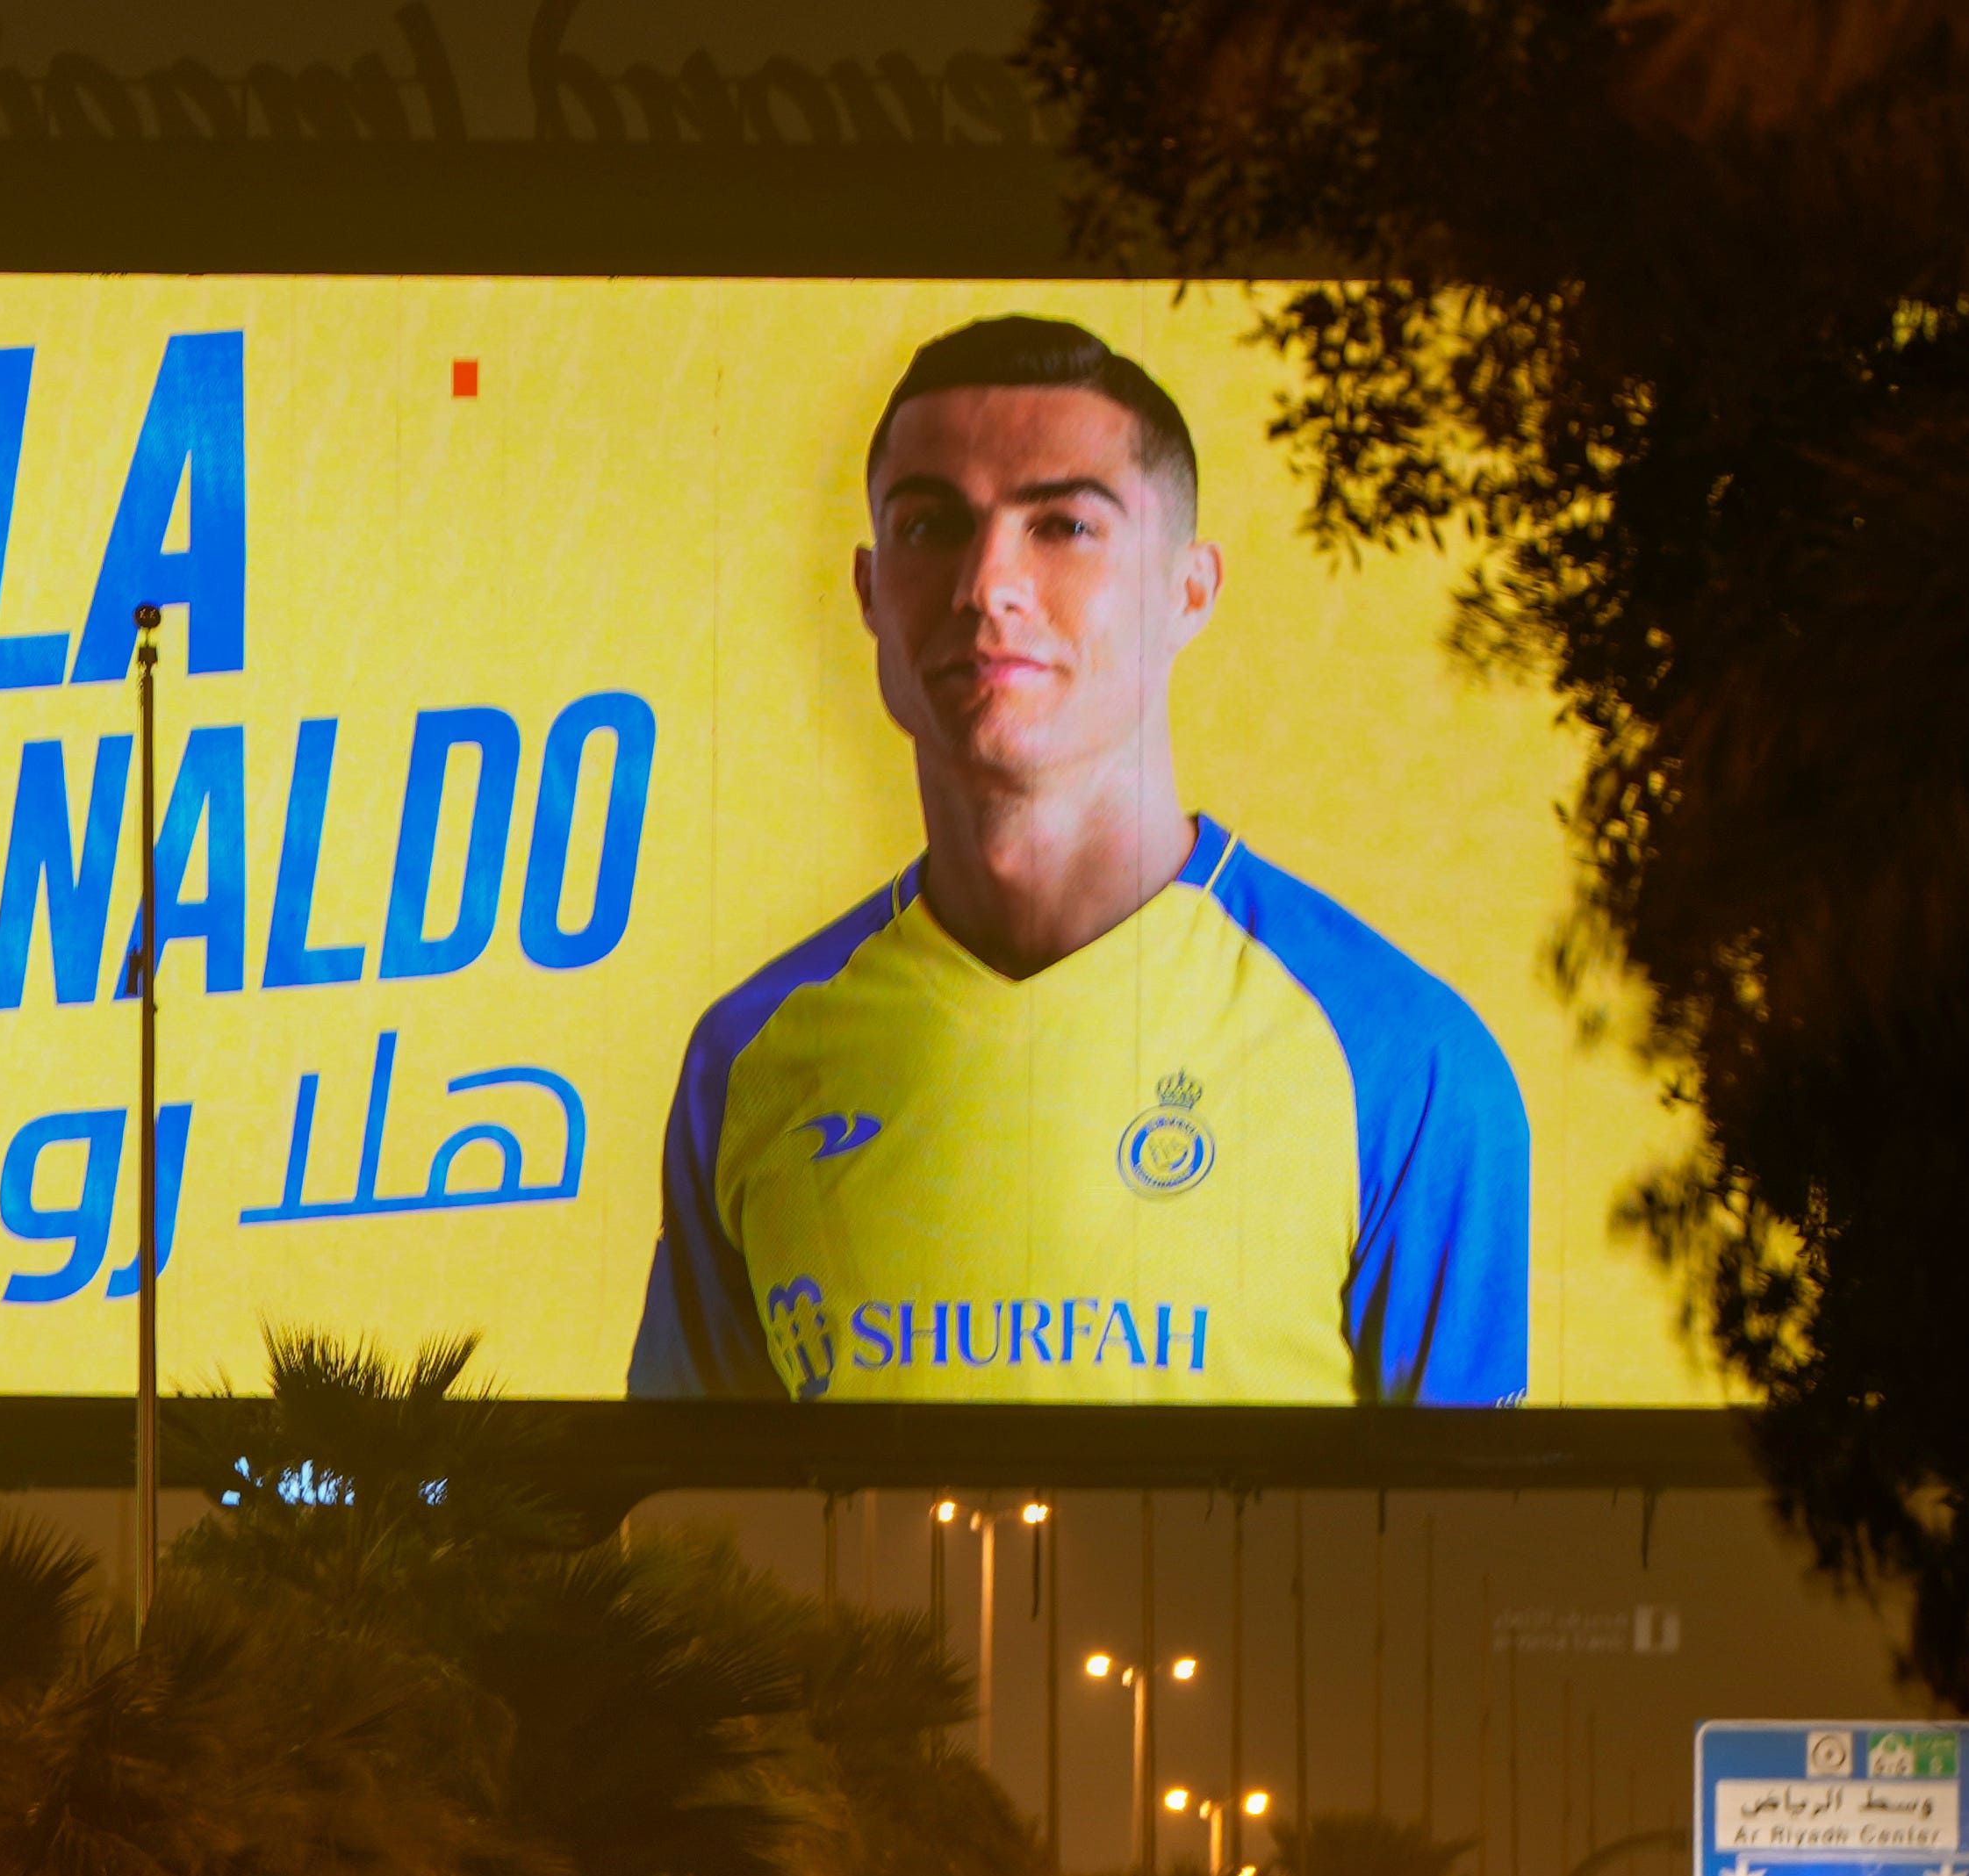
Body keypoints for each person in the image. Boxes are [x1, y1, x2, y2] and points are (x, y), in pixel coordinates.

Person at [625, 315, 1530, 1405]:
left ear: (1188, 592)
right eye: (930, 527)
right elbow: (684, 1552)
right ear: (869, 592)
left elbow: (1461, 1563)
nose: (987, 584)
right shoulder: (751, 1059)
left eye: (1062, 526)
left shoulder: (1401, 1060)